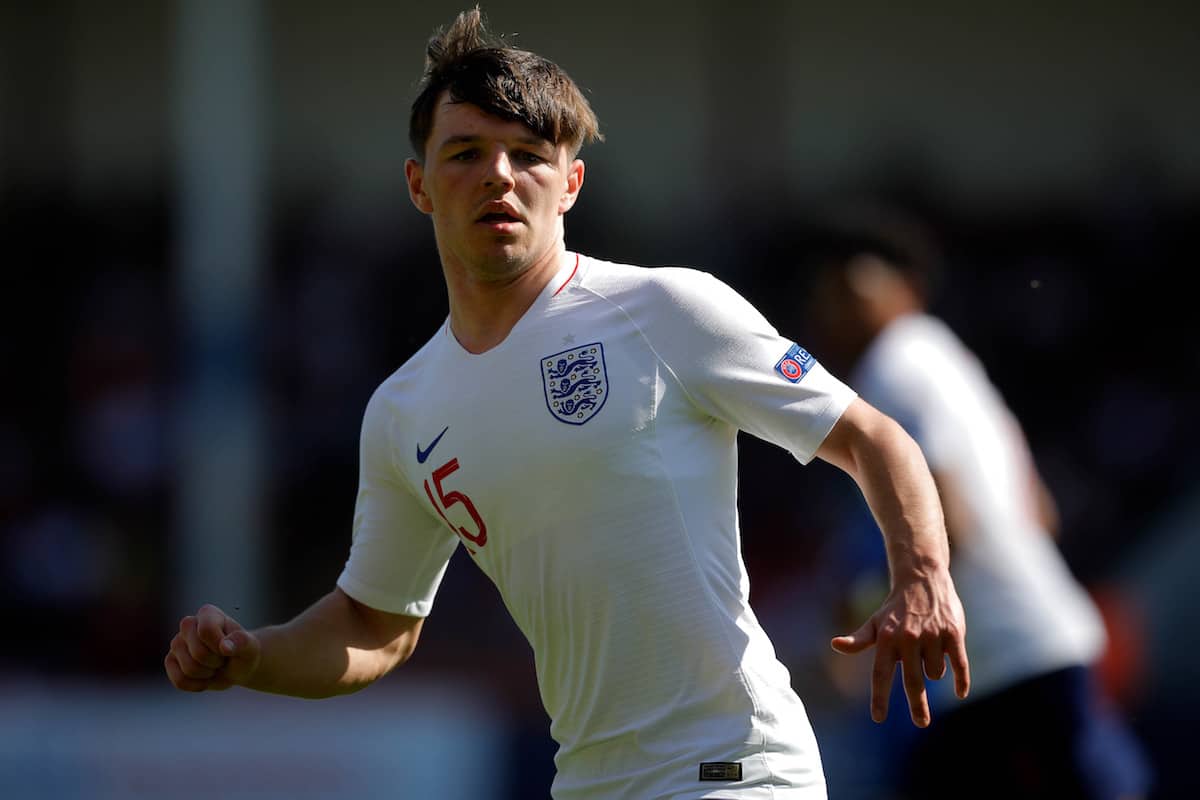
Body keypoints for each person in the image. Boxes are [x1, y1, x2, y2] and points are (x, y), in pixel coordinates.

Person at [164, 10, 970, 799]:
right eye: (466, 153)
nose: (500, 176)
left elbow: (871, 434)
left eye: (528, 154)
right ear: (418, 184)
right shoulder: (404, 411)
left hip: (731, 768)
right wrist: (253, 658)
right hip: (589, 782)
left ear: (571, 181)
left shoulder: (667, 311)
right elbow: (376, 627)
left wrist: (923, 574)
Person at [795, 205, 1151, 799]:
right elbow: (1040, 507)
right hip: (1023, 640)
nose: (835, 309)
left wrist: (861, 612)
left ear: (905, 289)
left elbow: (946, 521)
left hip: (1003, 654)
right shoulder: (946, 358)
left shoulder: (894, 367)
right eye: (826, 294)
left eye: (850, 289)